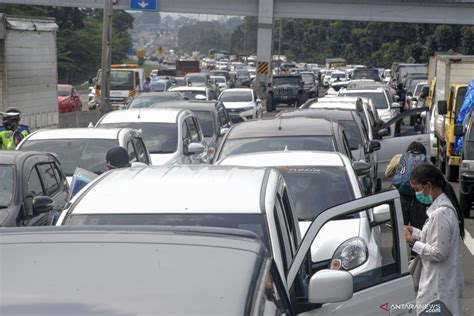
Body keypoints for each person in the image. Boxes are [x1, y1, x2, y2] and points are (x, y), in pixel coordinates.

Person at [404, 164, 464, 315]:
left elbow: (439, 252)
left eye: (417, 189)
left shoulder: (441, 213)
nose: (417, 194)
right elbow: (436, 237)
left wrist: (413, 242)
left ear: (428, 186)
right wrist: (416, 233)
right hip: (439, 290)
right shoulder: (441, 209)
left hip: (438, 292)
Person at [385, 142, 428, 229]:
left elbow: (387, 174)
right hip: (419, 199)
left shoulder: (399, 157)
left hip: (401, 197)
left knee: (400, 229)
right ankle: (414, 242)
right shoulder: (426, 161)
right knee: (417, 231)